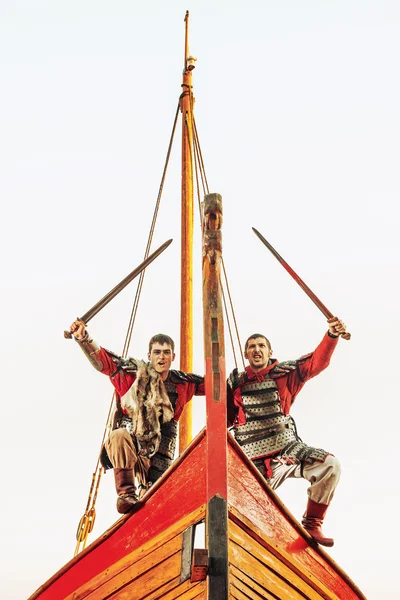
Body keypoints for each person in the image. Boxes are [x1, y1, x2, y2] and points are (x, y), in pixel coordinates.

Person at [227, 317, 347, 547]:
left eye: (261, 345)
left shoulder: (285, 374)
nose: (257, 349)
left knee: (330, 465)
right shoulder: (236, 383)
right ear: (246, 354)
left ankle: (312, 522)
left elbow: (316, 363)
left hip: (286, 449)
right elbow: (224, 418)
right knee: (244, 509)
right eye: (252, 346)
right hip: (251, 460)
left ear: (270, 351)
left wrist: (331, 336)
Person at [70, 319, 204, 514]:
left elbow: (215, 386)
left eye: (166, 353)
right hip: (133, 452)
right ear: (149, 355)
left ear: (173, 356)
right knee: (118, 436)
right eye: (157, 352)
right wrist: (84, 338)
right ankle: (126, 494)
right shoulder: (132, 375)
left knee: (159, 507)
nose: (161, 357)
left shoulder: (183, 383)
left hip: (161, 459)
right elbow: (105, 362)